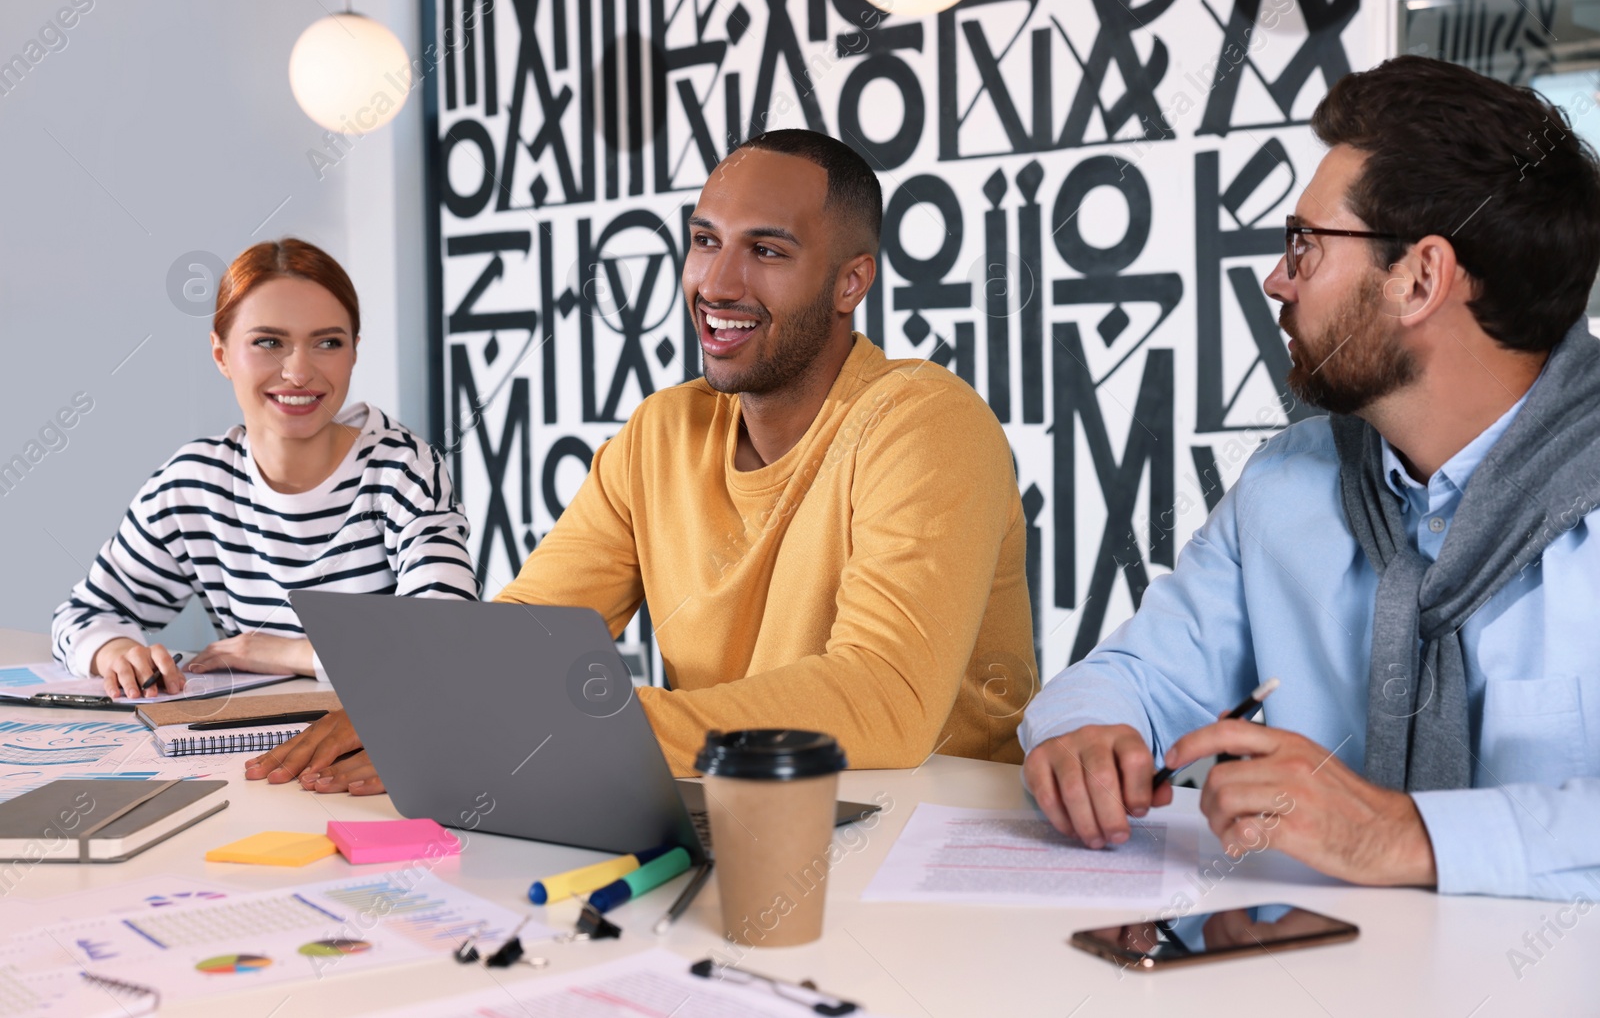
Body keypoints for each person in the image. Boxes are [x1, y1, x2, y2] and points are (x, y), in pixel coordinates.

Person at [248, 129, 1035, 794]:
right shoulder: (662, 432)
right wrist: (423, 700)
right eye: (703, 241)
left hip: (926, 846)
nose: (716, 282)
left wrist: (543, 724)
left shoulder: (923, 423)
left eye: (766, 250)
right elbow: (533, 631)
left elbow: (884, 701)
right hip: (737, 814)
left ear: (849, 283)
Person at [1020, 55, 1600, 902]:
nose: (1276, 279)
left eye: (1305, 244)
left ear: (1419, 279)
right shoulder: (1288, 485)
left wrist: (1403, 835)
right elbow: (1140, 676)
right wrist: (1086, 732)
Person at [52, 239, 479, 698]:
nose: (298, 372)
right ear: (221, 355)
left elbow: (445, 640)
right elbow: (82, 615)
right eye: (269, 343)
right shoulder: (194, 484)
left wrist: (287, 652)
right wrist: (115, 650)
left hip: (381, 742)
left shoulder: (402, 470)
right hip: (251, 746)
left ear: (354, 351)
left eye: (328, 343)